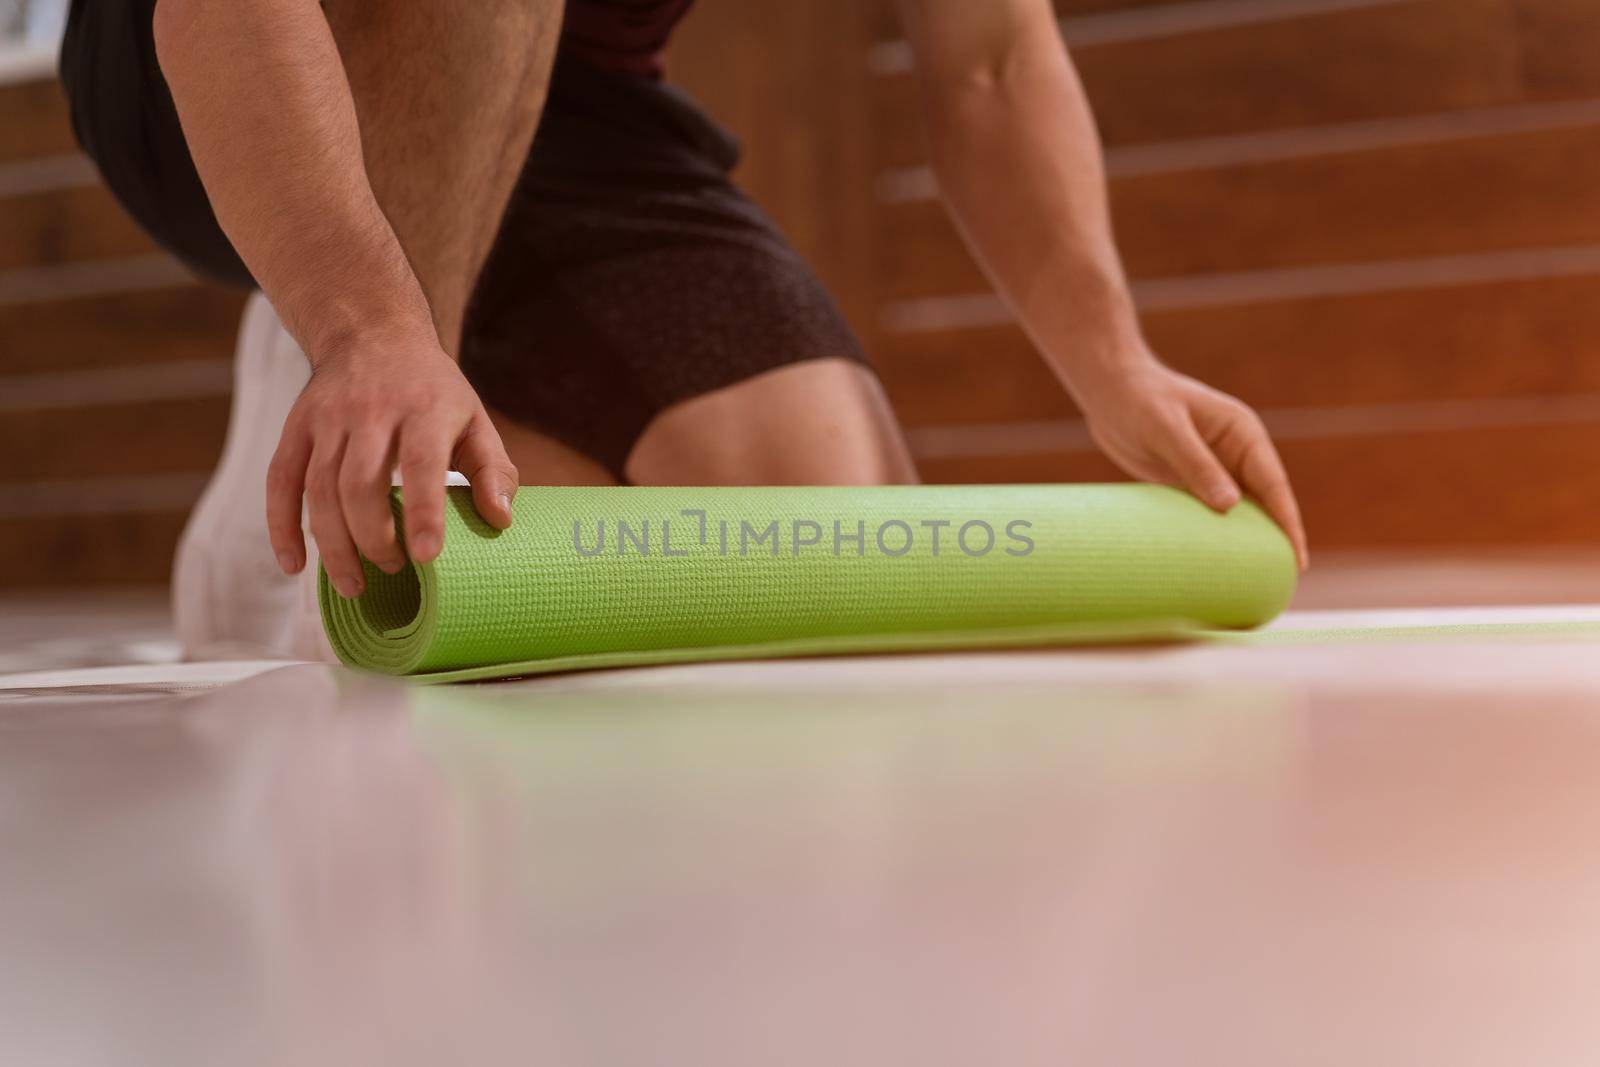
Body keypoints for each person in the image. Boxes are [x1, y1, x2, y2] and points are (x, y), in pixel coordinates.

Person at [59, 0, 1307, 653]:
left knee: (818, 528)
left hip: (578, 105)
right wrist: (364, 329)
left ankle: (399, 395)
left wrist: (1113, 363)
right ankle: (329, 363)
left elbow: (990, 59)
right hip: (219, 71)